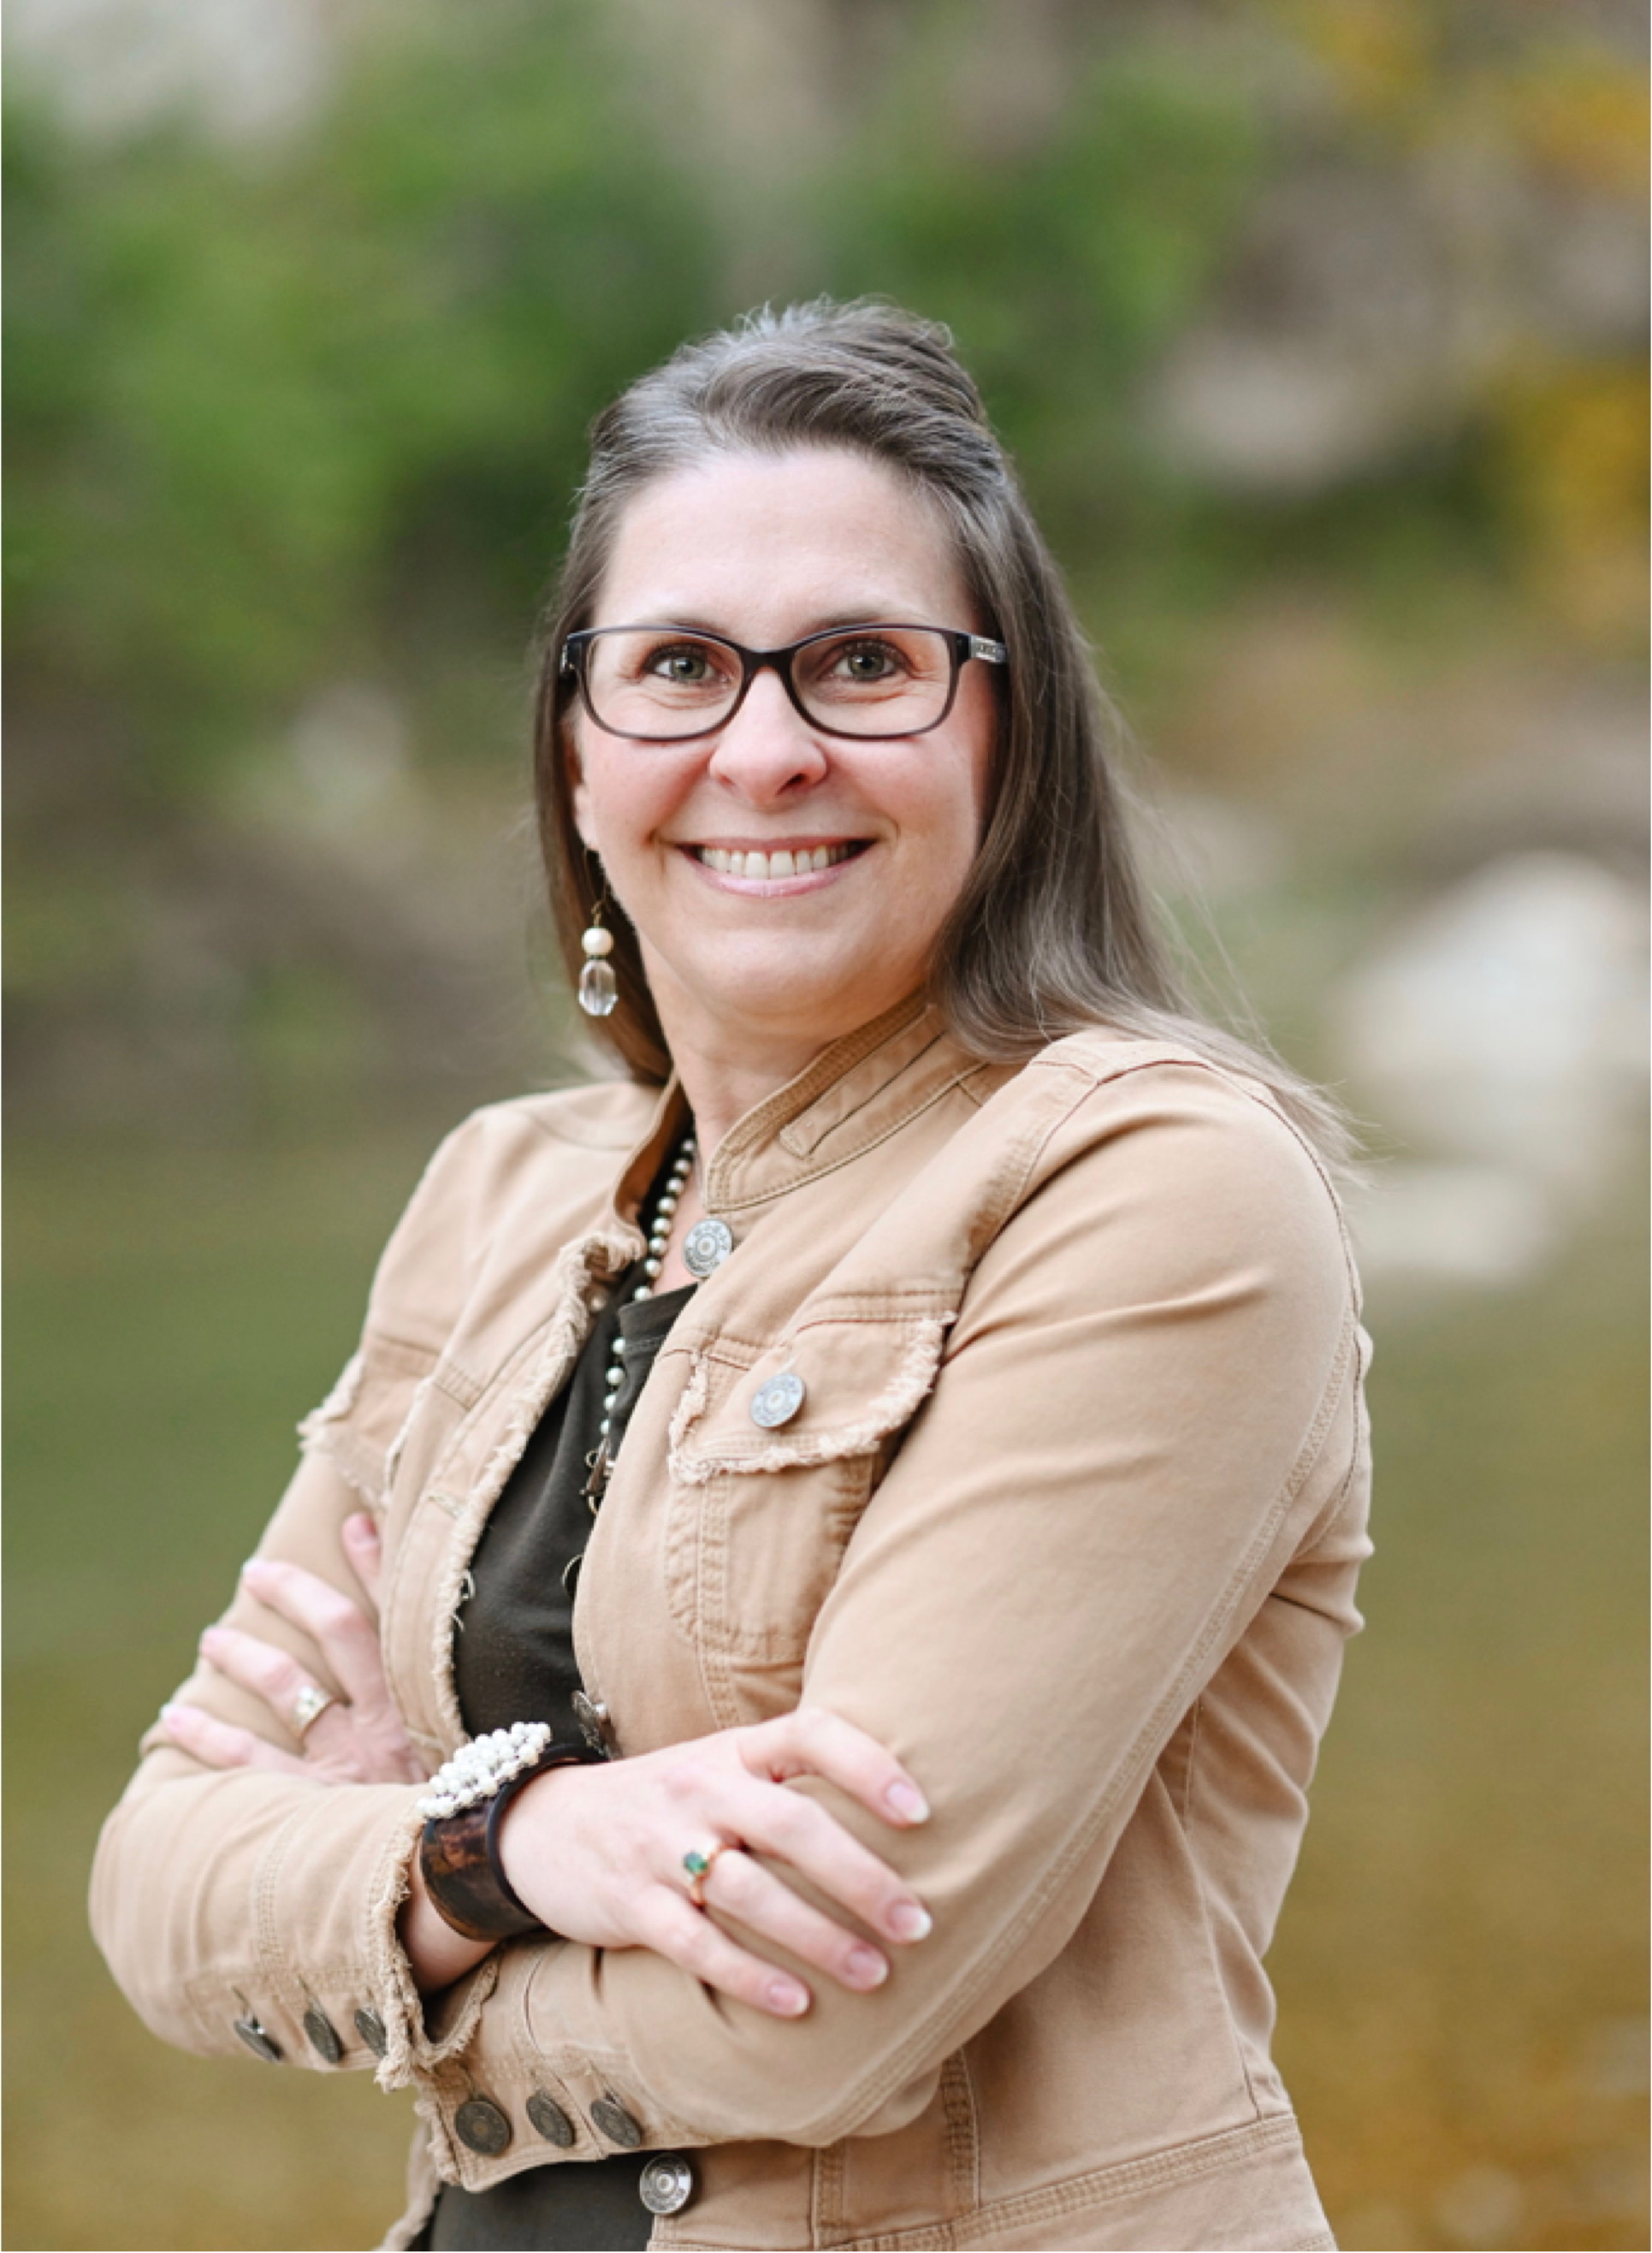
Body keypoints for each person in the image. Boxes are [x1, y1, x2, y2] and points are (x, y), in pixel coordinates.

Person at [92, 299, 1371, 2253]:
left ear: (1002, 737)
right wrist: (517, 1844)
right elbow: (153, 1888)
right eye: (679, 667)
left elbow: (830, 2015)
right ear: (581, 756)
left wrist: (379, 1898)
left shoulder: (1151, 1193)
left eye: (863, 664)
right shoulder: (497, 1198)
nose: (764, 752)